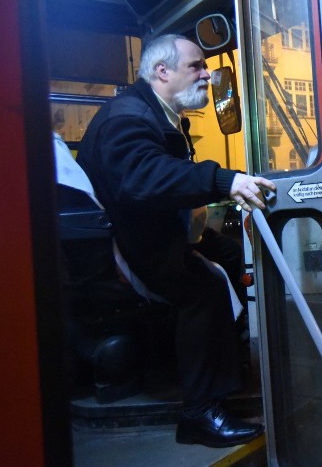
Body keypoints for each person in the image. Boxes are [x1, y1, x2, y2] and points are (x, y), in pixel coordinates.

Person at [77, 34, 276, 447]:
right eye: (196, 66)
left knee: (228, 253)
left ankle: (222, 360)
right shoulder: (126, 118)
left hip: (145, 230)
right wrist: (224, 180)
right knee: (202, 288)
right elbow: (144, 176)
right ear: (161, 71)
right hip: (119, 244)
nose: (207, 74)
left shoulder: (158, 115)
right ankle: (199, 414)